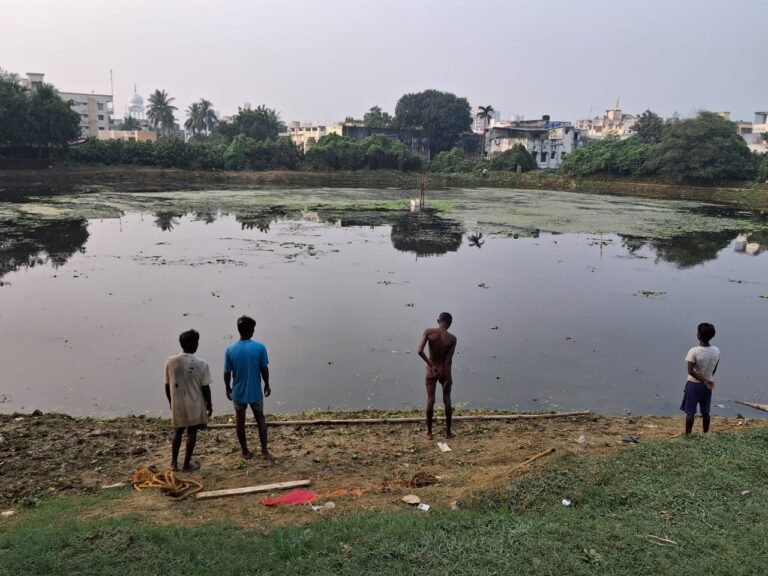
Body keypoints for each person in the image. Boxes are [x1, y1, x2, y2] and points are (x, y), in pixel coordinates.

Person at [164, 329, 212, 472]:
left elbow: (167, 386)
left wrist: (171, 402)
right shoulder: (201, 363)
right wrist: (209, 404)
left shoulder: (170, 361)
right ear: (195, 344)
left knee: (177, 431)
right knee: (192, 432)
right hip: (194, 403)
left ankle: (174, 463)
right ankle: (186, 464)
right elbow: (205, 388)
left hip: (177, 402)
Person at [224, 315, 271, 459]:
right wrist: (267, 384)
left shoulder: (230, 349)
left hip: (238, 393)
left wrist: (227, 388)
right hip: (255, 392)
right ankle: (264, 451)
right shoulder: (259, 347)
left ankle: (245, 451)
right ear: (251, 330)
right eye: (253, 328)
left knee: (240, 421)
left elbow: (227, 372)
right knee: (260, 419)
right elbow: (264, 369)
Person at [417, 312, 457, 439]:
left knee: (430, 400)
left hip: (431, 370)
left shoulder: (429, 332)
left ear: (438, 320)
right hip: (444, 371)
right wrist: (449, 379)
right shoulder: (452, 339)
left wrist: (431, 365)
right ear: (449, 323)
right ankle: (448, 432)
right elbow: (448, 360)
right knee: (447, 400)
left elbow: (419, 351)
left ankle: (429, 433)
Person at [680, 322, 720, 435]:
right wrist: (707, 380)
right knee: (705, 412)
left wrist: (703, 380)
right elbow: (714, 369)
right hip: (708, 385)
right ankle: (706, 433)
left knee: (690, 412)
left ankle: (687, 435)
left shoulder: (694, 351)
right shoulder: (716, 351)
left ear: (698, 335)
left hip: (694, 384)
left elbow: (690, 371)